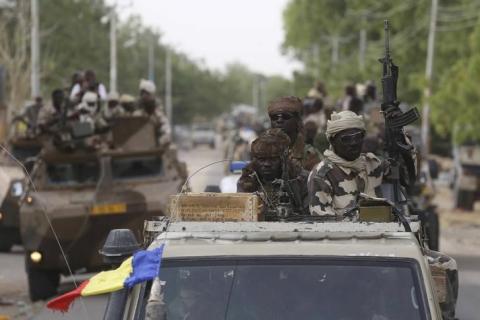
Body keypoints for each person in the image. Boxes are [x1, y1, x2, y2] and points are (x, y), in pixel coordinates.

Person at [308, 110, 417, 217]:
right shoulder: (322, 175)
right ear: (332, 141)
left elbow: (407, 177)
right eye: (346, 139)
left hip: (381, 232)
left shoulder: (372, 164)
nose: (354, 143)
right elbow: (323, 224)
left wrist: (400, 136)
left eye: (358, 136)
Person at [237, 128, 309, 218]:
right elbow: (241, 214)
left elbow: (308, 216)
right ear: (254, 160)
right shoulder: (246, 180)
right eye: (262, 159)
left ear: (283, 160)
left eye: (273, 159)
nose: (267, 164)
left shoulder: (300, 179)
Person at [268, 96, 314, 169]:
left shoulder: (309, 154)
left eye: (286, 116)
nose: (279, 120)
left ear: (297, 121)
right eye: (274, 117)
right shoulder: (263, 150)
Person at [134, 79, 171, 146]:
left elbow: (166, 132)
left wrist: (157, 143)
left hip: (153, 148)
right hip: (137, 146)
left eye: (147, 94)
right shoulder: (137, 113)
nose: (144, 96)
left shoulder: (158, 114)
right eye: (142, 93)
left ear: (152, 95)